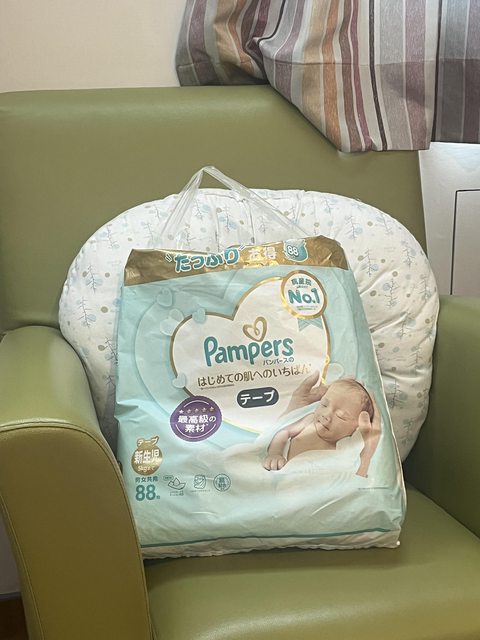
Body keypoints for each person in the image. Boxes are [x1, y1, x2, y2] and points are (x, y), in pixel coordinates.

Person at [263, 375, 381, 477]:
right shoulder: (309, 420)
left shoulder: (345, 446)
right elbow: (283, 432)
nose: (326, 415)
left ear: (356, 428)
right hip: (280, 473)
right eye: (324, 404)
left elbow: (351, 470)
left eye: (341, 416)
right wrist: (275, 453)